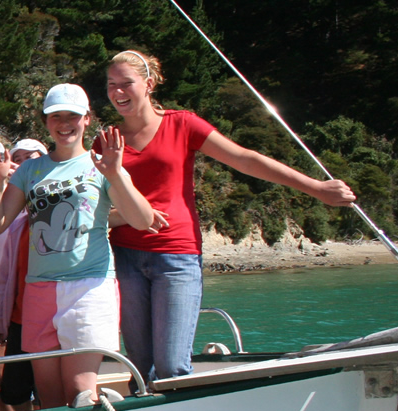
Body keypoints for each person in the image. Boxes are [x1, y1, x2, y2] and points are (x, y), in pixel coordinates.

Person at [102, 50, 357, 383]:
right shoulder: (106, 141)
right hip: (126, 257)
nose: (118, 92)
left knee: (171, 366)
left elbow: (245, 160)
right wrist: (129, 217)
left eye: (126, 83)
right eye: (111, 85)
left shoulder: (182, 124)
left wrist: (316, 187)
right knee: (139, 366)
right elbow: (94, 207)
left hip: (176, 256)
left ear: (149, 84)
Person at [0, 83, 157, 408]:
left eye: (72, 115)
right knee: (48, 393)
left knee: (79, 389)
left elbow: (142, 220)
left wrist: (115, 175)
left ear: (87, 119)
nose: (64, 123)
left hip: (89, 286)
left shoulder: (103, 165)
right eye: (56, 116)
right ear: (46, 122)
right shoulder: (31, 170)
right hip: (39, 291)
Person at [0, 140, 44, 411]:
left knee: (49, 387)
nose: (21, 164)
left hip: (52, 313)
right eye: (16, 159)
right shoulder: (14, 220)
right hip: (17, 314)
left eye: (29, 158)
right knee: (13, 390)